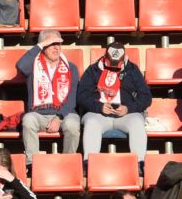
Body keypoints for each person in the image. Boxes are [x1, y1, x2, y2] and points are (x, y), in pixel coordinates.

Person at [78, 37, 150, 164]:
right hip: (98, 114)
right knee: (91, 123)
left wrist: (129, 108)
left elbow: (146, 97)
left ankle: (139, 163)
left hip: (126, 114)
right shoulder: (93, 70)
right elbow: (81, 96)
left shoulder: (132, 70)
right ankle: (89, 164)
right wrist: (98, 106)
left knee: (137, 122)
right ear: (105, 58)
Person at [18, 32, 81, 164]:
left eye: (58, 44)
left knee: (73, 125)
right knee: (28, 120)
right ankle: (32, 165)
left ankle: (68, 163)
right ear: (43, 46)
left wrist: (59, 117)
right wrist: (39, 45)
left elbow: (72, 99)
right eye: (51, 44)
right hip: (39, 113)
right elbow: (20, 66)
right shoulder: (32, 66)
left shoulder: (71, 68)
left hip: (65, 113)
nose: (56, 48)